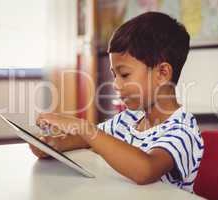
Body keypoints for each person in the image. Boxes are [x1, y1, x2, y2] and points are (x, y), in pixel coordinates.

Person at [30, 12, 204, 193]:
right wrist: (52, 144)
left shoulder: (183, 130)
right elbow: (87, 141)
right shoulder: (128, 119)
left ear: (162, 73)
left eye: (125, 75)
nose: (116, 84)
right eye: (114, 75)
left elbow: (146, 170)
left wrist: (83, 126)